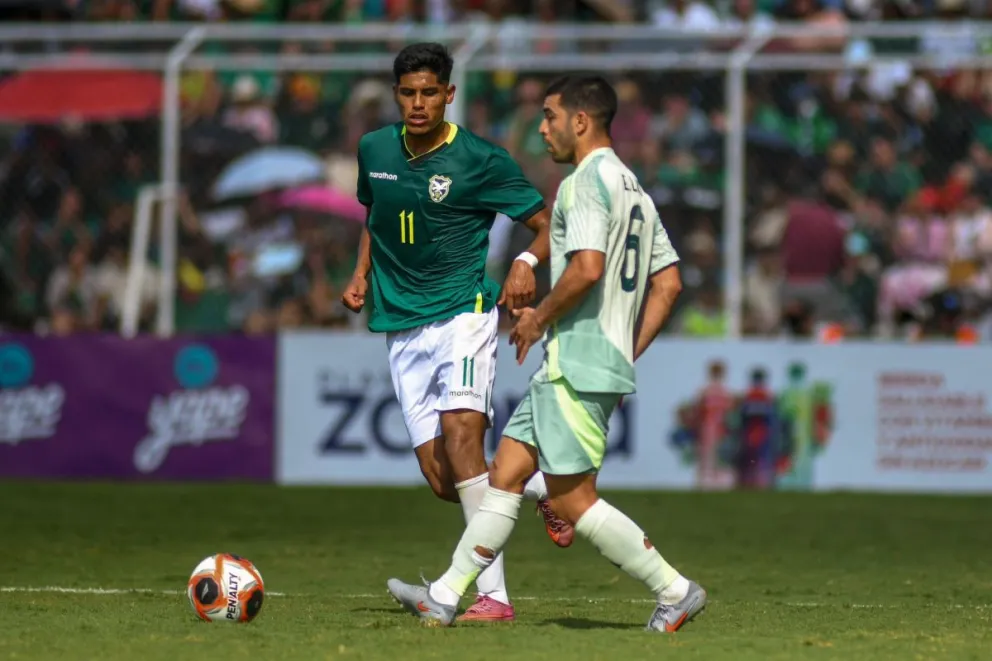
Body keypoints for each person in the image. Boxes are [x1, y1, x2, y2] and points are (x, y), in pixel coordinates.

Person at [385, 74, 705, 632]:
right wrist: (623, 351)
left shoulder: (584, 183)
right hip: (583, 360)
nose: (543, 128)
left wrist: (539, 317)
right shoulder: (633, 187)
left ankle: (674, 589)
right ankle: (443, 595)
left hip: (576, 362)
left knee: (574, 500)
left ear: (580, 121)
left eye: (551, 116)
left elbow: (585, 269)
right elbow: (669, 284)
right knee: (506, 473)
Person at [341, 43, 573, 623]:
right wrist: (361, 272)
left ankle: (493, 598)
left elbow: (545, 223)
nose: (418, 104)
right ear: (397, 95)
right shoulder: (373, 149)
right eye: (407, 93)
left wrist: (526, 263)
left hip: (464, 314)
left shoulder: (479, 160)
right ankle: (546, 490)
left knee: (464, 441)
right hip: (400, 325)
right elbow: (375, 214)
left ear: (449, 94)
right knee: (446, 480)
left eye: (429, 93)